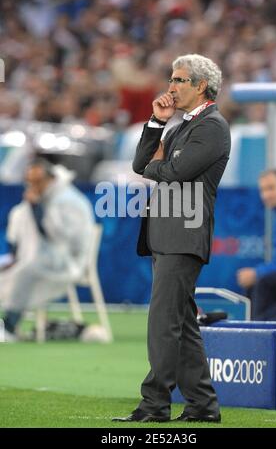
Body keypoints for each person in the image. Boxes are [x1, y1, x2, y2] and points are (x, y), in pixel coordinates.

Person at [113, 54, 231, 423]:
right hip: (168, 234)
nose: (171, 86)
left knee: (163, 323)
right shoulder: (181, 125)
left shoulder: (212, 126)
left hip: (184, 235)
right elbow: (141, 165)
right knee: (182, 324)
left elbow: (176, 171)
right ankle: (202, 405)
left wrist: (157, 166)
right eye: (171, 78)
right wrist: (156, 123)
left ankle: (154, 405)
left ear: (201, 86)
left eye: (179, 80)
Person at [0, 158, 94, 341]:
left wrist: (36, 208)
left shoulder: (67, 200)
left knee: (26, 271)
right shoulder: (44, 198)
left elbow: (55, 236)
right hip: (43, 257)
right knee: (18, 267)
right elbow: (19, 231)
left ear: (49, 179)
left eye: (36, 182)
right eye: (29, 182)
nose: (32, 186)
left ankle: (10, 324)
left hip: (68, 261)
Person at [237, 169, 276, 321]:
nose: (265, 195)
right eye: (262, 190)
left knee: (263, 283)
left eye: (271, 188)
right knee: (256, 284)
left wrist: (258, 272)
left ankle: (259, 333)